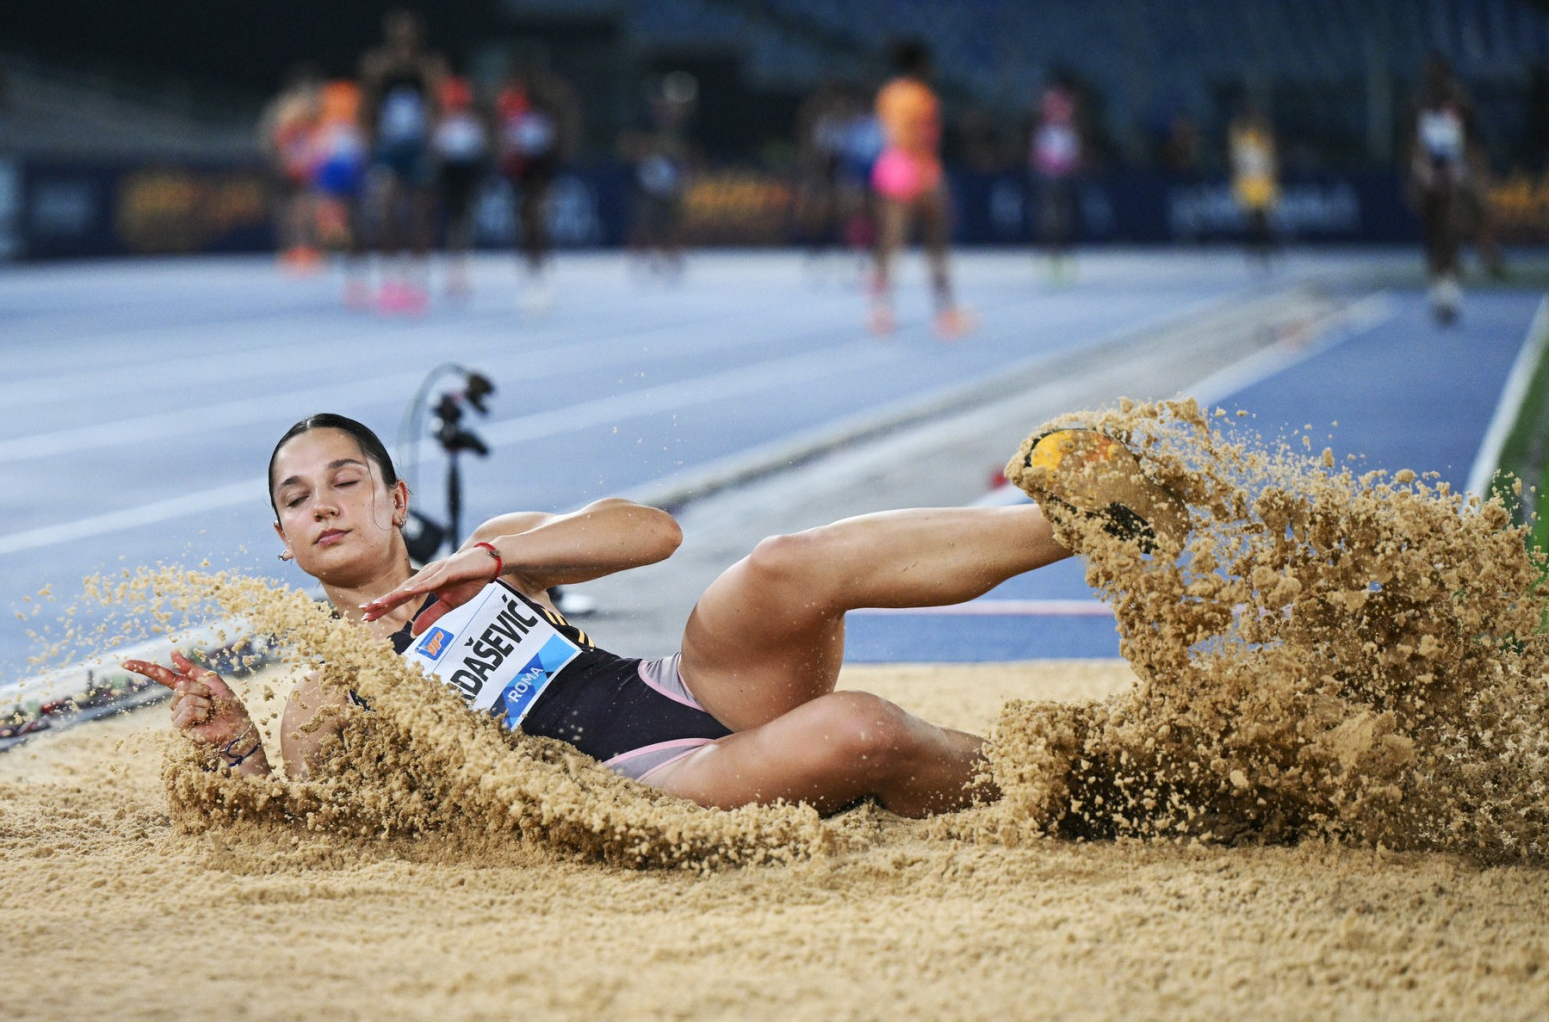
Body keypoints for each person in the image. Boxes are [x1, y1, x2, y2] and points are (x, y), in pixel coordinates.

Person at [124, 417, 1168, 819]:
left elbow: (653, 533)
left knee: (784, 562)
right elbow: (326, 826)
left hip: (681, 685)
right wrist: (238, 754)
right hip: (648, 780)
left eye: (345, 480)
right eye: (298, 498)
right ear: (284, 541)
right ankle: (1097, 788)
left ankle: (1086, 521)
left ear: (396, 501)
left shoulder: (494, 551)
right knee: (859, 729)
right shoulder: (326, 694)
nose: (324, 505)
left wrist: (493, 560)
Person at [869, 39, 971, 340]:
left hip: (891, 166)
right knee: (936, 245)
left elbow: (889, 134)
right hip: (919, 168)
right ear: (920, 64)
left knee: (890, 243)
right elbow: (922, 139)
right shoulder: (923, 96)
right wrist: (931, 180)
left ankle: (881, 310)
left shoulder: (888, 93)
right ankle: (946, 312)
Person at [359, 9, 447, 315]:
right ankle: (391, 278)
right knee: (385, 208)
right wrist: (368, 142)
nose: (403, 38)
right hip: (388, 146)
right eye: (398, 33)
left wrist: (435, 144)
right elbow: (368, 106)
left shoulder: (428, 66)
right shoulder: (377, 64)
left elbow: (435, 106)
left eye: (408, 33)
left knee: (421, 212)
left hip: (418, 146)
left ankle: (418, 277)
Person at [496, 65, 580, 309]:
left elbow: (561, 127)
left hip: (542, 165)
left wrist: (560, 152)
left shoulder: (549, 100)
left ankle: (540, 262)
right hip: (520, 166)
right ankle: (528, 260)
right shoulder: (513, 101)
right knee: (524, 216)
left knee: (538, 214)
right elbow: (504, 131)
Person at [1407, 55, 1480, 324]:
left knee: (1451, 229)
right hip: (1429, 174)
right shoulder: (1420, 103)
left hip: (1454, 171)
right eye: (1430, 78)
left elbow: (1470, 139)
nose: (1435, 83)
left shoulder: (1460, 101)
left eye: (1438, 77)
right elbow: (1413, 142)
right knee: (1432, 232)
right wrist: (1420, 171)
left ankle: (1450, 285)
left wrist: (1463, 170)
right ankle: (1438, 285)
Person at [431, 74, 491, 299]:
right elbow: (436, 152)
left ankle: (461, 265)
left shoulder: (472, 123)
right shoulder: (443, 123)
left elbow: (481, 149)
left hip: (467, 174)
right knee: (452, 220)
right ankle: (453, 265)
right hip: (450, 175)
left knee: (463, 220)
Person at [1029, 74, 1083, 282]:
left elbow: (1073, 155)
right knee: (1048, 216)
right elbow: (1038, 155)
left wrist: (1067, 165)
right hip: (1047, 176)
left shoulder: (1068, 132)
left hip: (1064, 176)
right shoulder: (1045, 131)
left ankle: (1062, 252)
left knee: (1063, 217)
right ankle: (1047, 253)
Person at [1227, 101, 1279, 271]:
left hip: (1262, 181)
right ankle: (1255, 249)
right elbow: (1235, 156)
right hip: (1248, 182)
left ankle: (1265, 249)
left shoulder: (1263, 139)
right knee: (1252, 220)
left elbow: (1271, 159)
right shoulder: (1241, 139)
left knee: (1263, 219)